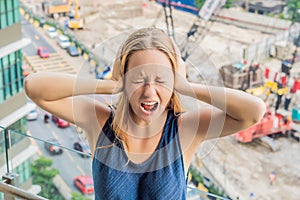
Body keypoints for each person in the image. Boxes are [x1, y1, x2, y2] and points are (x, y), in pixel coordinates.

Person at [24, 27, 266, 199]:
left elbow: (254, 112)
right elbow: (35, 87)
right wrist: (110, 85)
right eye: (138, 79)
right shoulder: (99, 122)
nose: (149, 92)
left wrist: (186, 87)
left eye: (161, 80)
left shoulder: (186, 129)